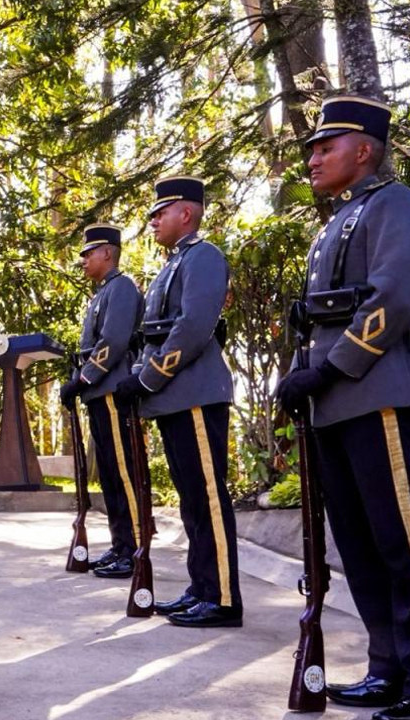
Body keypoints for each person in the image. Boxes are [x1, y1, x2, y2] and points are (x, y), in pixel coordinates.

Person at [275, 95, 410, 720]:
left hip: (378, 395)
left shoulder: (393, 204)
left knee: (399, 540)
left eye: (326, 147)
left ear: (365, 150)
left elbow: (393, 299)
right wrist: (301, 376)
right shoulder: (337, 221)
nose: (313, 157)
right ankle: (387, 667)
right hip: (332, 406)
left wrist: (332, 368)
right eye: (311, 149)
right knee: (355, 545)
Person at [115, 175, 241, 628]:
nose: (153, 220)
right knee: (191, 502)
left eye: (160, 212)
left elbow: (192, 326)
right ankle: (202, 586)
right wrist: (139, 378)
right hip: (173, 398)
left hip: (195, 395)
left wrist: (147, 379)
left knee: (208, 498)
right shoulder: (172, 265)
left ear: (186, 213)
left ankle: (224, 597)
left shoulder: (203, 257)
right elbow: (154, 333)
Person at [59, 224, 145, 580]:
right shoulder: (103, 293)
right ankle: (121, 544)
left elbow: (113, 341)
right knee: (109, 473)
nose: (83, 261)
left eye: (88, 253)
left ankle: (138, 548)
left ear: (107, 253)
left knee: (124, 473)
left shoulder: (121, 288)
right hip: (100, 392)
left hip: (112, 390)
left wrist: (83, 379)